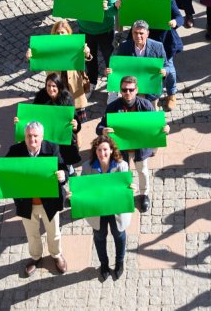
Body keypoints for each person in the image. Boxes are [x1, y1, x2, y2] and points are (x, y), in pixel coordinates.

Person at [0, 121, 69, 276]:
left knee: (54, 232)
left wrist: (63, 176)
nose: (32, 140)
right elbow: (1, 168)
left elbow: (64, 168)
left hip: (49, 202)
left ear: (42, 137)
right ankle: (36, 257)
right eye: (29, 136)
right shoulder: (16, 150)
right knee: (32, 233)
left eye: (35, 136)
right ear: (24, 136)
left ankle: (56, 255)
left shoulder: (52, 148)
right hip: (27, 203)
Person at [97, 75, 170, 213]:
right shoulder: (113, 107)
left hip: (140, 149)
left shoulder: (146, 105)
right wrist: (103, 131)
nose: (127, 93)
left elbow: (157, 126)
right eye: (124, 90)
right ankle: (125, 194)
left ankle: (144, 194)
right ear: (120, 90)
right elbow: (99, 127)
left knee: (142, 171)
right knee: (123, 172)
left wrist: (165, 129)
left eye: (131, 90)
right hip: (120, 149)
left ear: (136, 90)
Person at [79, 135, 131, 282]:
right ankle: (104, 264)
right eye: (99, 150)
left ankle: (119, 262)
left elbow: (126, 187)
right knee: (99, 236)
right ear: (95, 151)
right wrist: (74, 194)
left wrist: (130, 188)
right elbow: (82, 187)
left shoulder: (122, 166)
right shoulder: (87, 167)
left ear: (111, 150)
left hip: (116, 210)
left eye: (105, 150)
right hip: (98, 211)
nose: (103, 153)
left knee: (119, 235)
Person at [72, 0, 120, 90]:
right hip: (85, 29)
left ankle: (113, 85)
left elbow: (113, 11)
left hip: (105, 31)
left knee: (109, 58)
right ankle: (92, 82)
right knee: (89, 57)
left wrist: (106, 9)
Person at [144, 0, 184, 110]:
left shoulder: (169, 3)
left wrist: (174, 22)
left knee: (170, 72)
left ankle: (172, 94)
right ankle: (152, 94)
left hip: (165, 43)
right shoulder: (142, 1)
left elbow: (180, 17)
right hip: (148, 43)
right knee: (151, 70)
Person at [31, 73, 82, 169]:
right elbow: (32, 115)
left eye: (54, 86)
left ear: (59, 86)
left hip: (62, 135)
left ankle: (67, 167)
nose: (51, 89)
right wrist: (20, 121)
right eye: (48, 86)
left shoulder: (67, 99)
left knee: (64, 155)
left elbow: (75, 118)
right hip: (46, 133)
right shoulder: (40, 97)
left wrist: (76, 125)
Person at [111, 19, 167, 102]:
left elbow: (166, 65)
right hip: (131, 92)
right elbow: (117, 65)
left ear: (147, 34)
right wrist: (110, 71)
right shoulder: (124, 46)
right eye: (135, 33)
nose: (138, 36)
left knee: (151, 112)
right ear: (132, 33)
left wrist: (165, 71)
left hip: (151, 90)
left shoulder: (158, 46)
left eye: (141, 33)